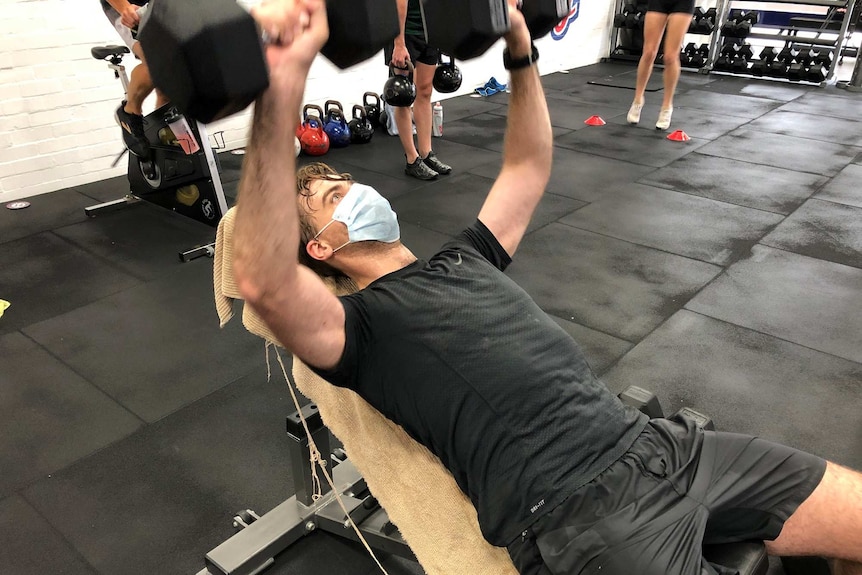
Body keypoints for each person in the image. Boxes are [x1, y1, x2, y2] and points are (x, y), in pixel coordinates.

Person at [232, 1, 862, 574]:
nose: (359, 191)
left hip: (667, 447)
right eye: (335, 197)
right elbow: (261, 278)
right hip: (582, 520)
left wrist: (520, 48)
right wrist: (283, 81)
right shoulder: (355, 330)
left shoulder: (464, 256)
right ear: (322, 248)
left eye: (348, 182)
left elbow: (527, 167)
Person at [384, 0, 452, 180]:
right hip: (405, 35)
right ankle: (412, 160)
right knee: (403, 96)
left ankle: (426, 153)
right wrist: (399, 43)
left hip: (428, 32)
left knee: (424, 91)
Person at [100, 0, 168, 159]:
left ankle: (166, 143)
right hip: (131, 8)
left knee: (168, 85)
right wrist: (125, 8)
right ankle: (130, 111)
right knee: (157, 61)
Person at [626, 0, 695, 130]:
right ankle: (638, 99)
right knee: (648, 53)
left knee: (670, 56)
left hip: (683, 3)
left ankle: (667, 106)